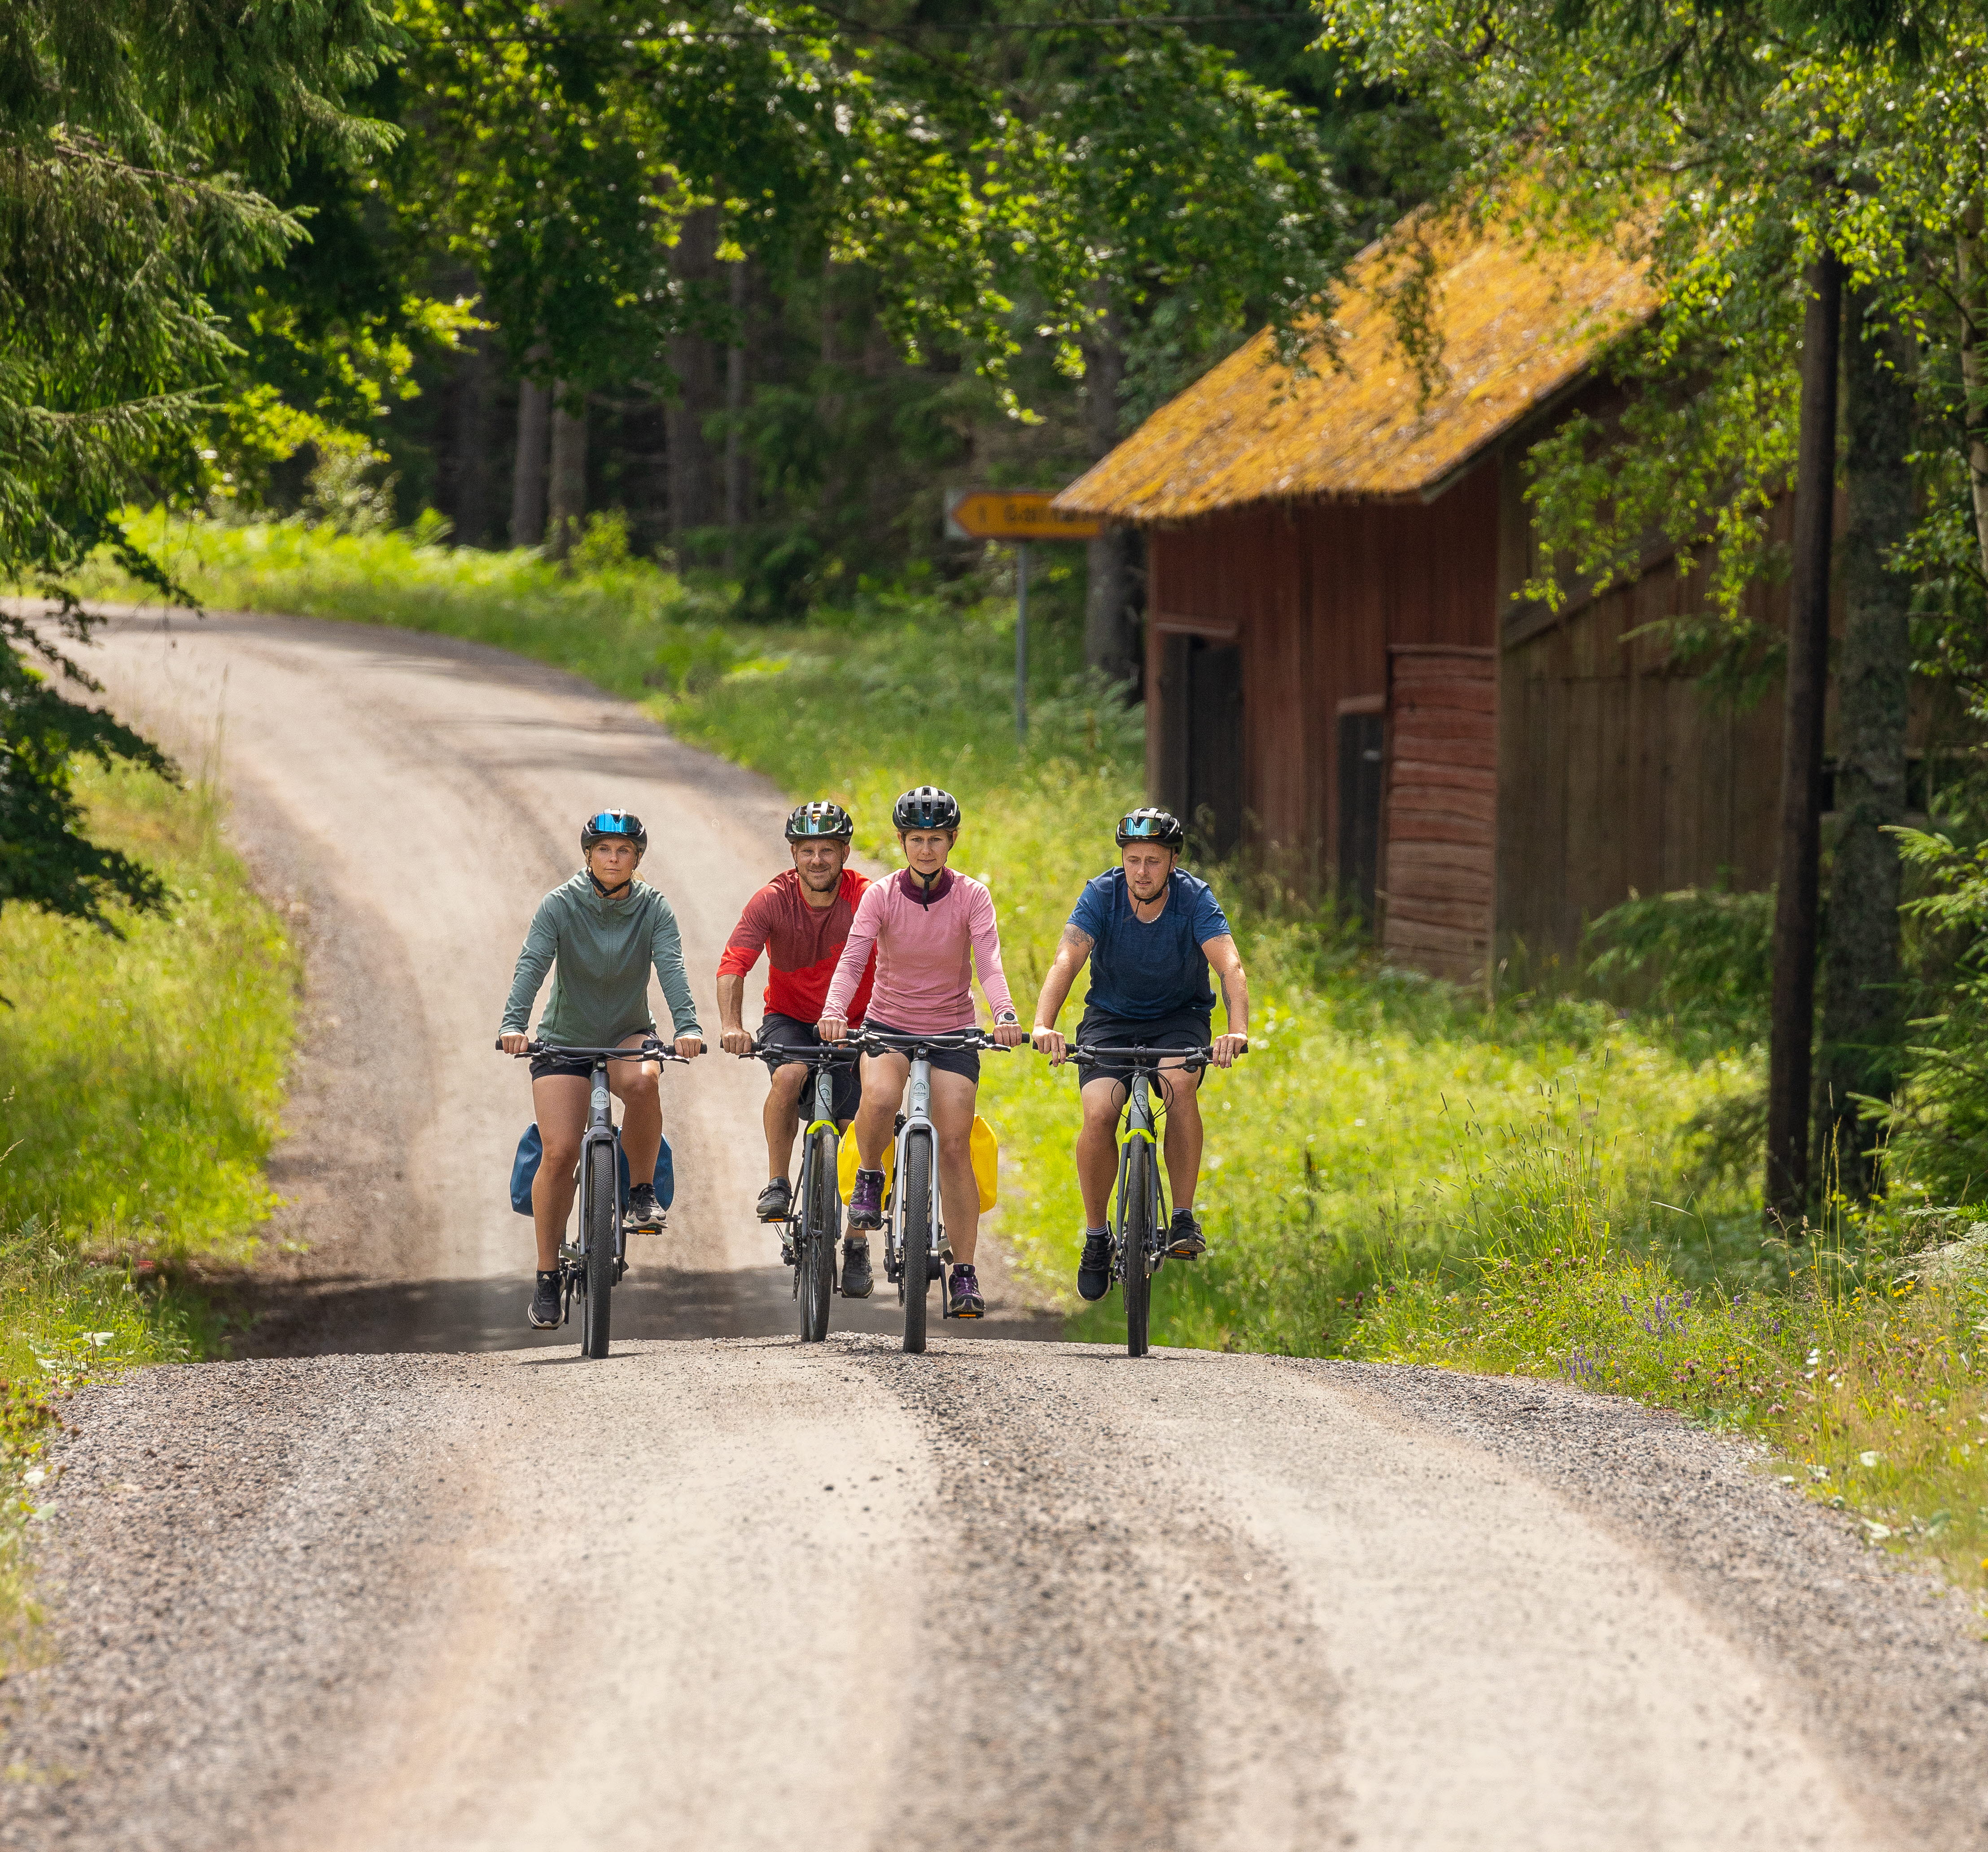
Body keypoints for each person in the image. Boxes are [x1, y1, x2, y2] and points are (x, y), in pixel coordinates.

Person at [818, 786, 1028, 1319]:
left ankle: (963, 1271)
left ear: (951, 840)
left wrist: (1003, 1014)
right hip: (888, 1026)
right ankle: (869, 1176)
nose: (926, 850)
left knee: (955, 1142)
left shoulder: (973, 896)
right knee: (880, 1095)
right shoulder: (882, 895)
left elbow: (990, 963)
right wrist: (834, 1009)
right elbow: (852, 959)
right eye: (916, 840)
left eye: (936, 839)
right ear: (901, 841)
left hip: (953, 1032)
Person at [1030, 806, 1248, 1302]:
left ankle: (1183, 1217)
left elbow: (1229, 964)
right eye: (1133, 859)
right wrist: (1044, 1023)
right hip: (1111, 1018)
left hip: (1179, 1018)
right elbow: (1068, 956)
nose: (1142, 871)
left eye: (1153, 859)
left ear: (1172, 861)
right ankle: (1095, 1236)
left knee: (1179, 1083)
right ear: (1122, 860)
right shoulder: (1101, 894)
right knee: (1100, 1109)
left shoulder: (1195, 899)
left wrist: (1235, 1032)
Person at [499, 808, 704, 1331]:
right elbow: (532, 964)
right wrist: (512, 1023)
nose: (614, 859)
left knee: (642, 1080)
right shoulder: (560, 905)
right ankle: (547, 1275)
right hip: (565, 1039)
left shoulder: (654, 907)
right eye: (604, 851)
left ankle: (639, 1191)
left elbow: (672, 966)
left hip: (626, 1033)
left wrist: (688, 1026)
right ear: (588, 855)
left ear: (637, 858)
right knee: (561, 1149)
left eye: (625, 852)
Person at [715, 800, 880, 1295]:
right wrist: (730, 1024)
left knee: (865, 1115)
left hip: (855, 1021)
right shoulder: (771, 899)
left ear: (844, 852)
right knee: (788, 1076)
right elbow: (733, 963)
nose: (816, 860)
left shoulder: (867, 897)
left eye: (826, 850)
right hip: (789, 1019)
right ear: (792, 852)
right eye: (806, 849)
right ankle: (777, 1182)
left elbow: (905, 953)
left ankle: (855, 1242)